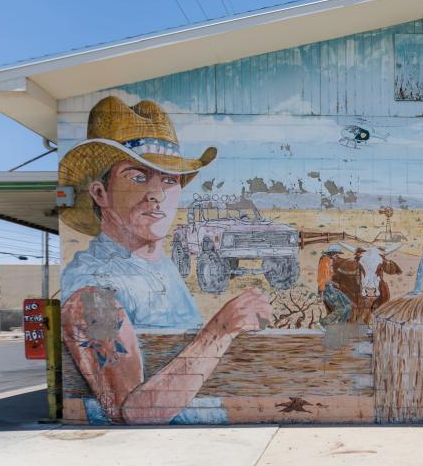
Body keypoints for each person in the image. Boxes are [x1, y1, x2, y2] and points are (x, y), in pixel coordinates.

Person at [58, 96, 272, 425]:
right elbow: (135, 413)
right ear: (100, 193)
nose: (157, 193)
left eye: (169, 179)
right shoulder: (92, 294)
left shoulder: (161, 266)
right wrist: (220, 330)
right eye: (138, 177)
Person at [317, 244, 353, 327]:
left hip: (330, 287)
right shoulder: (325, 261)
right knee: (341, 308)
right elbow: (321, 278)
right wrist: (321, 293)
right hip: (327, 289)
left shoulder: (329, 261)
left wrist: (334, 283)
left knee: (349, 305)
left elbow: (327, 278)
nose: (337, 256)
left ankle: (340, 325)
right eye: (337, 254)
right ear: (332, 253)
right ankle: (322, 323)